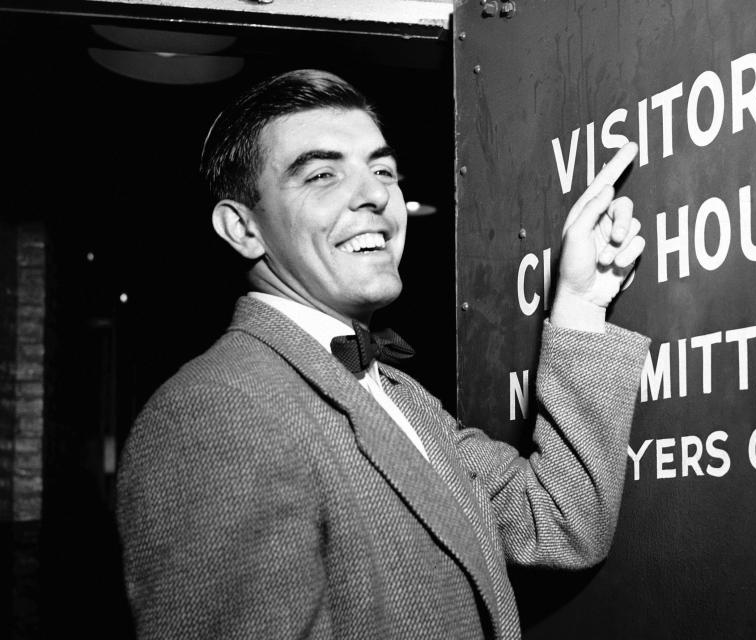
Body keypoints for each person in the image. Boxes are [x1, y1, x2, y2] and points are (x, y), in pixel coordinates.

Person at [117, 69, 650, 640]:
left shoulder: (399, 393)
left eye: (382, 170)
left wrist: (580, 302)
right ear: (243, 229)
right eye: (322, 174)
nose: (374, 194)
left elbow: (561, 522)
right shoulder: (213, 412)